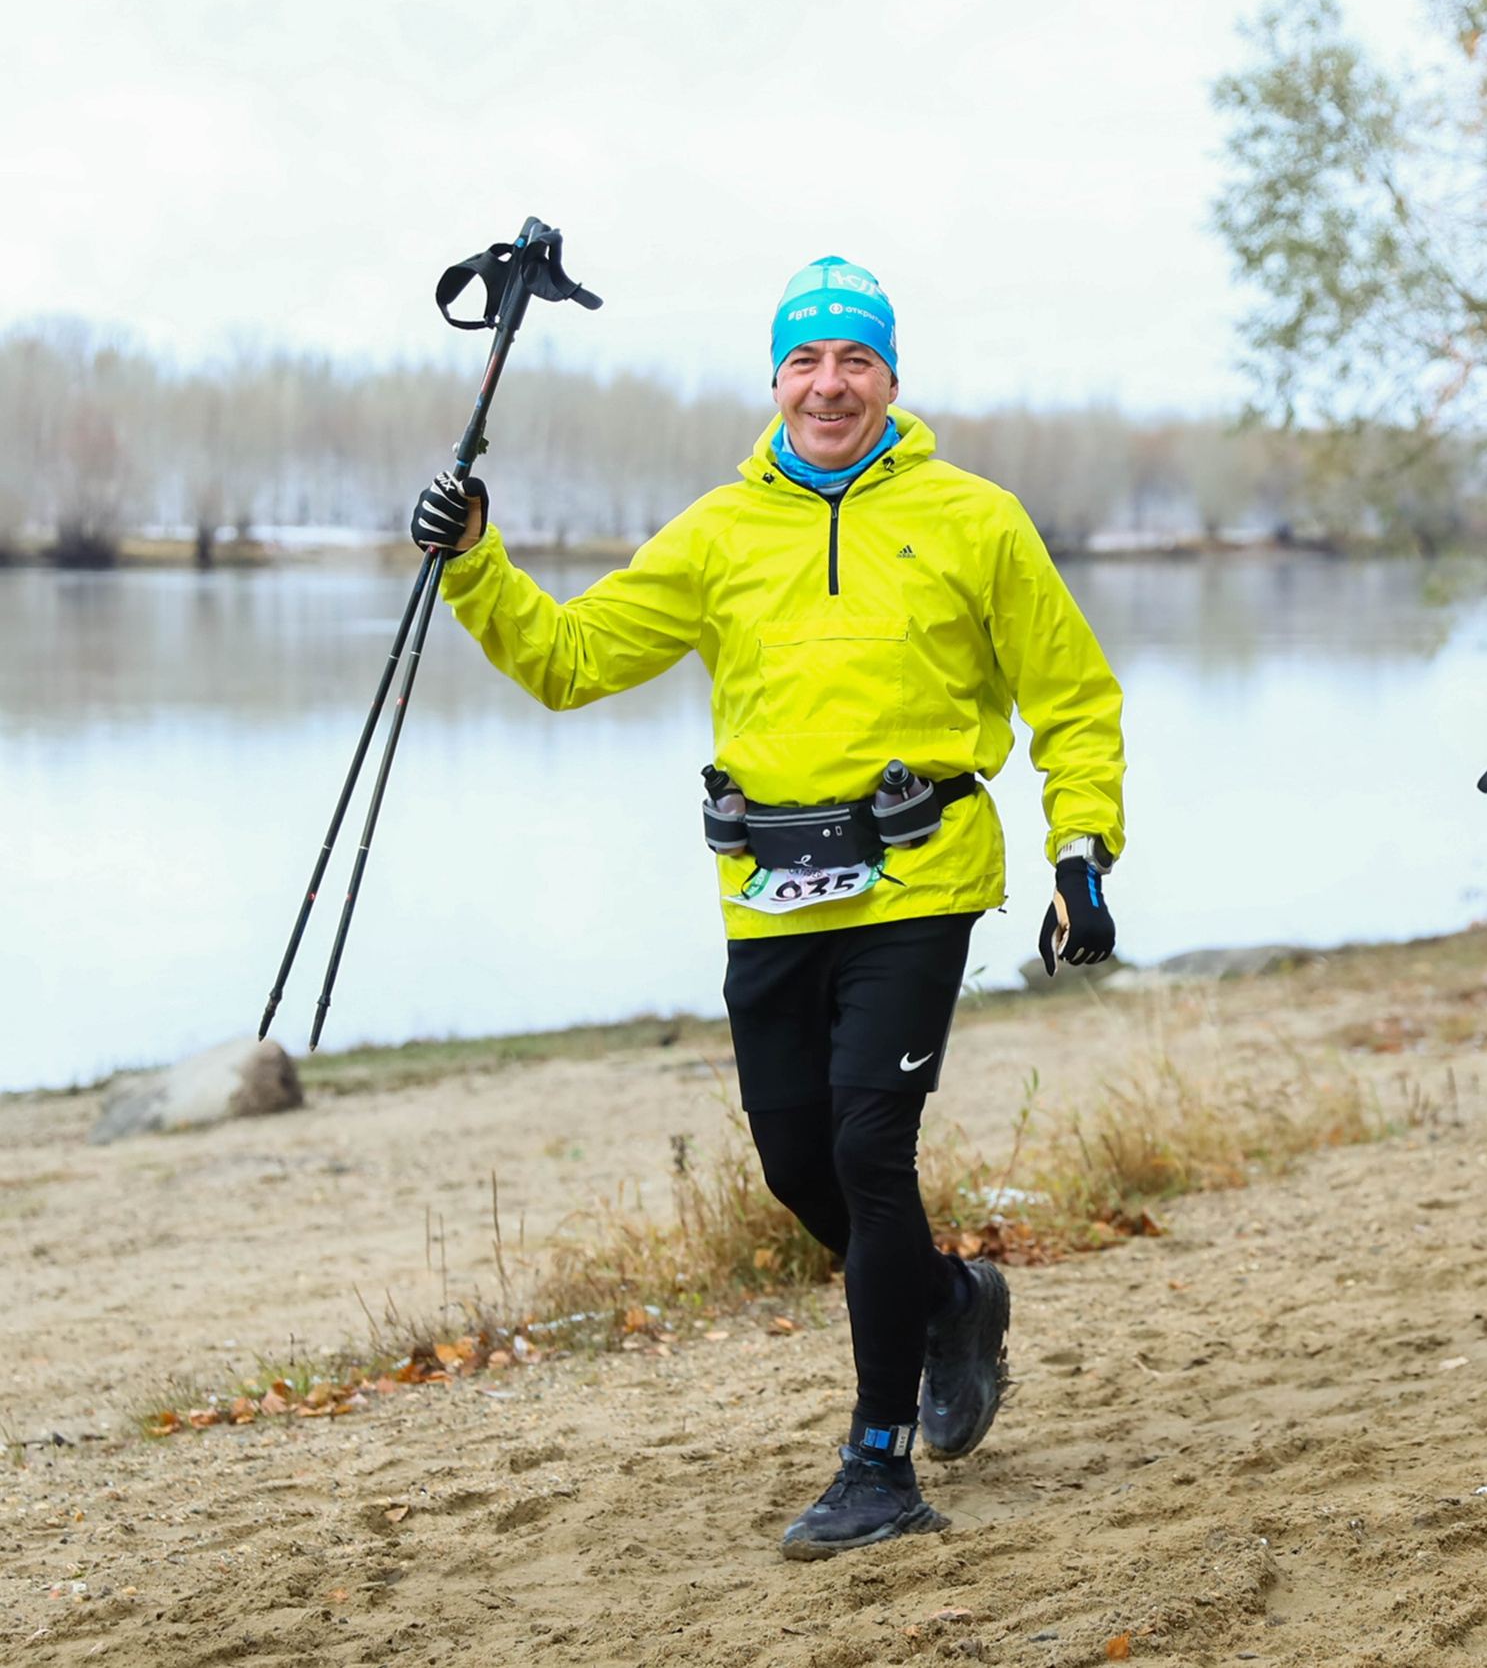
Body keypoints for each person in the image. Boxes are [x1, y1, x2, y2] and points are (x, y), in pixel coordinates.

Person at [406, 256, 1127, 1554]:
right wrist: (474, 560)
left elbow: (1073, 697)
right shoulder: (719, 534)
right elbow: (570, 660)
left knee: (866, 1144)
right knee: (797, 1160)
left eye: (856, 361)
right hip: (769, 892)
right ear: (776, 379)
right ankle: (953, 1299)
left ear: (893, 379)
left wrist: (1082, 848)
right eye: (806, 360)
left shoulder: (977, 518)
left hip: (920, 874)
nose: (830, 384)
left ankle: (877, 1463)